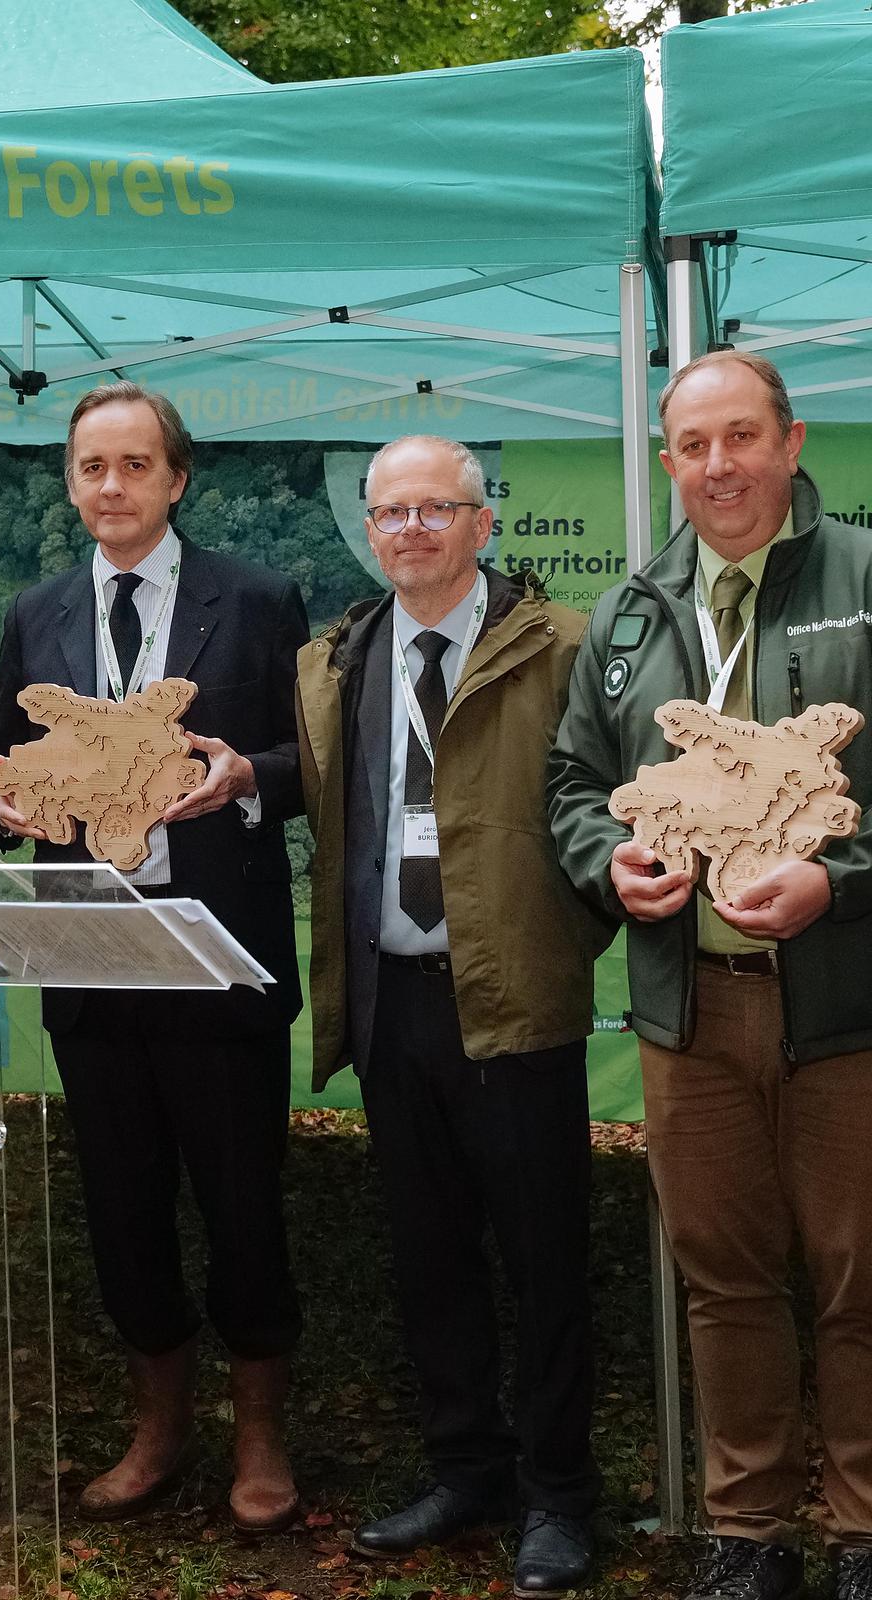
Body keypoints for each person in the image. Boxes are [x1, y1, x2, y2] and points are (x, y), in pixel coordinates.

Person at [549, 350, 872, 1600]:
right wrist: (612, 864)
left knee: (859, 1276)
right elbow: (574, 785)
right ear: (667, 460)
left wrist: (836, 884)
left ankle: (861, 1531)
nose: (719, 466)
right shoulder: (633, 614)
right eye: (693, 445)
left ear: (793, 445)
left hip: (845, 1008)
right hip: (692, 1012)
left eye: (743, 437)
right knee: (724, 1277)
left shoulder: (861, 578)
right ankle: (747, 1532)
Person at [0, 381, 307, 1533]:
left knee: (241, 1197)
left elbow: (315, 758)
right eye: (87, 467)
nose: (106, 487)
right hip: (89, 948)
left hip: (214, 951)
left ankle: (260, 1427)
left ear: (176, 478)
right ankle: (159, 1422)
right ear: (69, 482)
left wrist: (246, 775)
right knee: (123, 1205)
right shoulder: (38, 613)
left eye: (130, 465)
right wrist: (8, 802)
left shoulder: (258, 603)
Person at [296, 435, 610, 1592]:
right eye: (391, 512)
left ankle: (562, 1496)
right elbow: (331, 792)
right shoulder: (336, 659)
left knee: (545, 1261)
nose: (413, 529)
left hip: (515, 1002)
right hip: (393, 1003)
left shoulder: (562, 647)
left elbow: (603, 801)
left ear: (485, 524)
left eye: (438, 508)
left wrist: (580, 927)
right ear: (370, 532)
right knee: (430, 1260)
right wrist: (239, 775)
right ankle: (464, 1467)